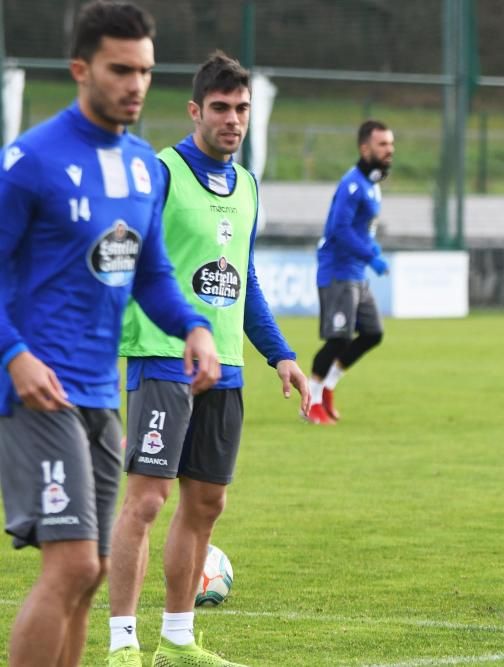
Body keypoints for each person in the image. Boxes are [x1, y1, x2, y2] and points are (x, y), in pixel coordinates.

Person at [0, 2, 221, 665]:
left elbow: (151, 271)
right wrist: (14, 356)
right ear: (80, 69)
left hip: (99, 392)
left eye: (146, 71)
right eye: (120, 69)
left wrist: (194, 327)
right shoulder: (30, 159)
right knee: (69, 566)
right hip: (37, 391)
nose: (136, 84)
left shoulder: (140, 167)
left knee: (92, 570)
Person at [107, 52, 308, 667]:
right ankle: (121, 643)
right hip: (163, 355)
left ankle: (177, 637)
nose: (233, 119)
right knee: (146, 501)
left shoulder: (246, 185)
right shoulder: (160, 172)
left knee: (207, 504)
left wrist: (281, 354)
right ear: (195, 110)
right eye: (220, 108)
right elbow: (122, 257)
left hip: (225, 365)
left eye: (241, 108)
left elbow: (243, 278)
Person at [305, 120, 393, 425]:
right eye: (382, 145)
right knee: (338, 339)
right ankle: (311, 401)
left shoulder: (372, 184)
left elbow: (360, 229)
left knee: (372, 333)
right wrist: (372, 256)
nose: (389, 151)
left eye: (391, 145)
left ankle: (327, 386)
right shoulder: (352, 184)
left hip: (356, 273)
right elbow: (338, 229)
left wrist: (372, 252)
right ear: (364, 148)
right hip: (338, 272)